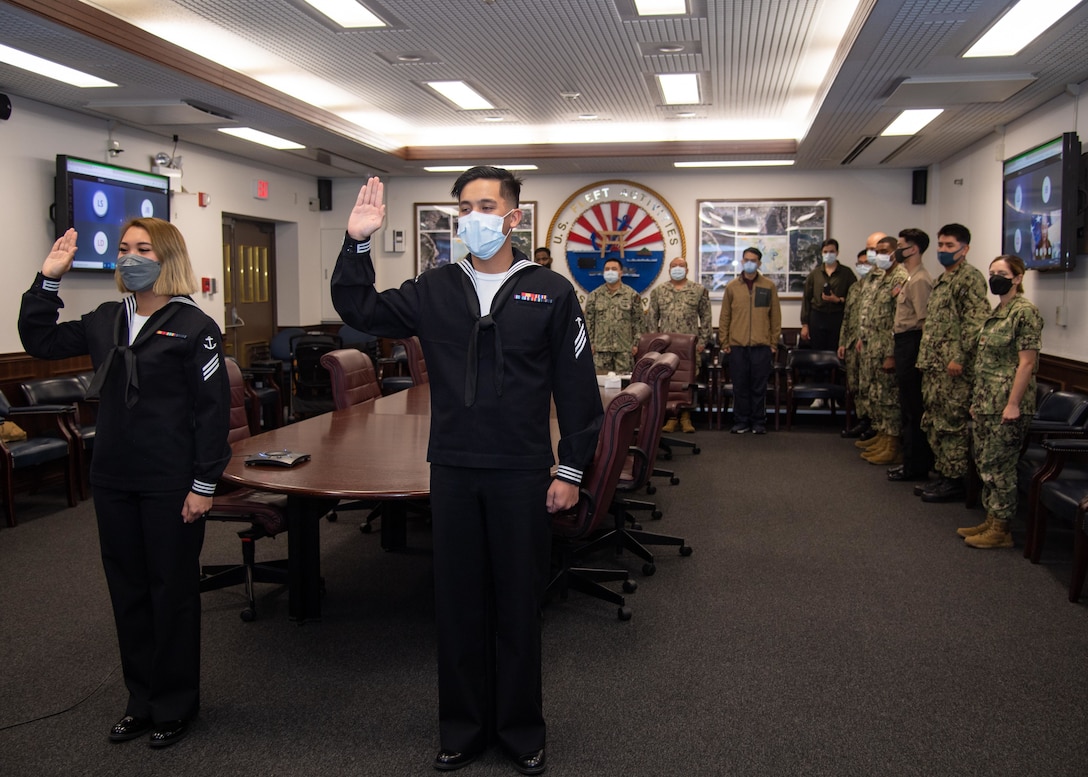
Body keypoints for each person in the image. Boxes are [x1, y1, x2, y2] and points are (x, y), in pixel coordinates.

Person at [329, 169, 602, 775]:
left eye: (485, 205)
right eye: (464, 208)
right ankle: (461, 728)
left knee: (517, 603)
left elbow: (578, 392)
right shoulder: (436, 288)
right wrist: (357, 244)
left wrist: (572, 470)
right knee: (455, 605)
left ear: (512, 216)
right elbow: (360, 308)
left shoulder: (550, 292)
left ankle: (521, 729)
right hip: (452, 469)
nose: (473, 216)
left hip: (521, 471)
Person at [18, 218, 230, 748]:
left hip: (170, 482)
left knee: (171, 593)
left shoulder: (194, 326)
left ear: (167, 258)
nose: (128, 257)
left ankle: (176, 704)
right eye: (122, 249)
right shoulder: (105, 319)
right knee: (128, 592)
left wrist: (204, 485)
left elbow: (211, 413)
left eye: (143, 249)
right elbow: (39, 339)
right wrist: (48, 279)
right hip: (113, 480)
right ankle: (141, 700)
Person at [959, 255, 1043, 548]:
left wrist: (1013, 404)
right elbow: (985, 363)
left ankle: (1002, 529)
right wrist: (976, 401)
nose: (995, 277)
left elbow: (1026, 364)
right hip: (986, 402)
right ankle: (992, 519)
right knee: (985, 463)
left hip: (1007, 405)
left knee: (1000, 466)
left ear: (1018, 278)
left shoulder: (1025, 312)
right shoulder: (998, 312)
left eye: (1002, 273)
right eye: (992, 272)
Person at [916, 224, 990, 503]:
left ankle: (956, 479)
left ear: (965, 248)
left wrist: (959, 357)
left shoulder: (969, 278)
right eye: (941, 245)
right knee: (935, 422)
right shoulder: (943, 279)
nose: (943, 250)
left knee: (952, 424)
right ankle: (944, 474)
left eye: (949, 246)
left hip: (953, 368)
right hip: (935, 366)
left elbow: (975, 322)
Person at [885, 228, 934, 482]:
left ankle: (915, 465)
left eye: (901, 245)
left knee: (914, 409)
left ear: (913, 249)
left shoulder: (920, 280)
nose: (896, 250)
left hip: (913, 344)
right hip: (904, 342)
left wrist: (922, 358)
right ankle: (910, 461)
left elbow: (925, 323)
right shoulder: (909, 277)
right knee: (907, 407)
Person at [856, 237, 909, 465]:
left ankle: (893, 444)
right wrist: (863, 337)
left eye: (884, 251)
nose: (879, 255)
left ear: (896, 252)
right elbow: (872, 312)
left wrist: (891, 353)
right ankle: (882, 436)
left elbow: (898, 320)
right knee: (878, 395)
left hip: (887, 348)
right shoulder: (880, 277)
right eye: (876, 251)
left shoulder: (900, 278)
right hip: (872, 346)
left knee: (890, 398)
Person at [718, 247, 781, 435]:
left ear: (759, 263)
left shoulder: (768, 286)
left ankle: (758, 422)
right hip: (737, 346)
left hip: (761, 346)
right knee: (740, 386)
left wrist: (773, 343)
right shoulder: (732, 287)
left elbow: (775, 317)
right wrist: (724, 341)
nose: (749, 263)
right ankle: (741, 421)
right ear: (742, 261)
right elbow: (725, 316)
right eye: (746, 259)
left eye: (753, 260)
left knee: (758, 387)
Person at [647, 256, 712, 433]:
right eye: (674, 266)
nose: (677, 268)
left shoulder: (698, 290)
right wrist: (654, 345)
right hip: (666, 347)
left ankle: (685, 417)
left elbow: (706, 318)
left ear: (687, 269)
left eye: (681, 265)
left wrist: (703, 342)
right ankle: (670, 417)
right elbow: (652, 319)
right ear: (669, 270)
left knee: (688, 381)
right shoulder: (659, 291)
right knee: (667, 380)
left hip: (690, 348)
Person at [584, 257, 645, 374]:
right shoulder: (594, 295)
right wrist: (590, 344)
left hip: (624, 350)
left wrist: (636, 344)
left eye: (614, 269)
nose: (610, 272)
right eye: (607, 269)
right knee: (600, 386)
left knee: (625, 387)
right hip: (600, 350)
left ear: (621, 272)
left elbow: (638, 322)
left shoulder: (632, 295)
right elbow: (589, 322)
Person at [838, 249, 874, 438]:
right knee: (855, 385)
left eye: (867, 262)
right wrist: (842, 342)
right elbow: (847, 317)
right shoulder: (854, 288)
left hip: (869, 344)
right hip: (852, 344)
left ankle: (873, 424)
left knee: (869, 386)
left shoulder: (876, 286)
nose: (862, 266)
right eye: (860, 263)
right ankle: (862, 420)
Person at [800, 238, 856, 351]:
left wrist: (838, 300)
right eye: (825, 252)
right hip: (817, 317)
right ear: (821, 253)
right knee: (817, 353)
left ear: (837, 253)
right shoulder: (814, 274)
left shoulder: (847, 273)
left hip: (837, 317)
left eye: (831, 252)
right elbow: (806, 299)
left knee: (835, 354)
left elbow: (855, 298)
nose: (828, 254)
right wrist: (805, 324)